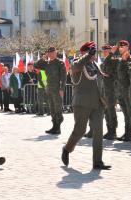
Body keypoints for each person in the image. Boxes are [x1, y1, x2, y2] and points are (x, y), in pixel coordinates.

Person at [61, 41, 111, 170]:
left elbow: (100, 82)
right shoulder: (77, 62)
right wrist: (88, 56)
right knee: (80, 130)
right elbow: (75, 67)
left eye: (93, 52)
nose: (93, 54)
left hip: (97, 103)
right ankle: (67, 149)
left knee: (98, 132)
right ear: (84, 52)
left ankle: (97, 162)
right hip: (82, 102)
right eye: (90, 51)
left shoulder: (95, 65)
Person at [34, 46, 66, 135]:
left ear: (56, 53)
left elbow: (64, 77)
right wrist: (43, 58)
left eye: (52, 52)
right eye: (49, 53)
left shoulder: (60, 63)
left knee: (57, 108)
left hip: (57, 89)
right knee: (51, 108)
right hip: (49, 89)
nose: (51, 54)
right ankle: (54, 126)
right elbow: (36, 65)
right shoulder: (46, 63)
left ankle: (58, 127)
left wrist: (62, 88)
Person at [99, 44, 118, 140]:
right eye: (104, 50)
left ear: (110, 51)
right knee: (106, 111)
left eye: (107, 50)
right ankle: (109, 130)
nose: (104, 52)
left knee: (111, 110)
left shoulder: (113, 61)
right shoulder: (104, 63)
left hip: (111, 90)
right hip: (105, 90)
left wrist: (111, 54)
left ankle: (113, 131)